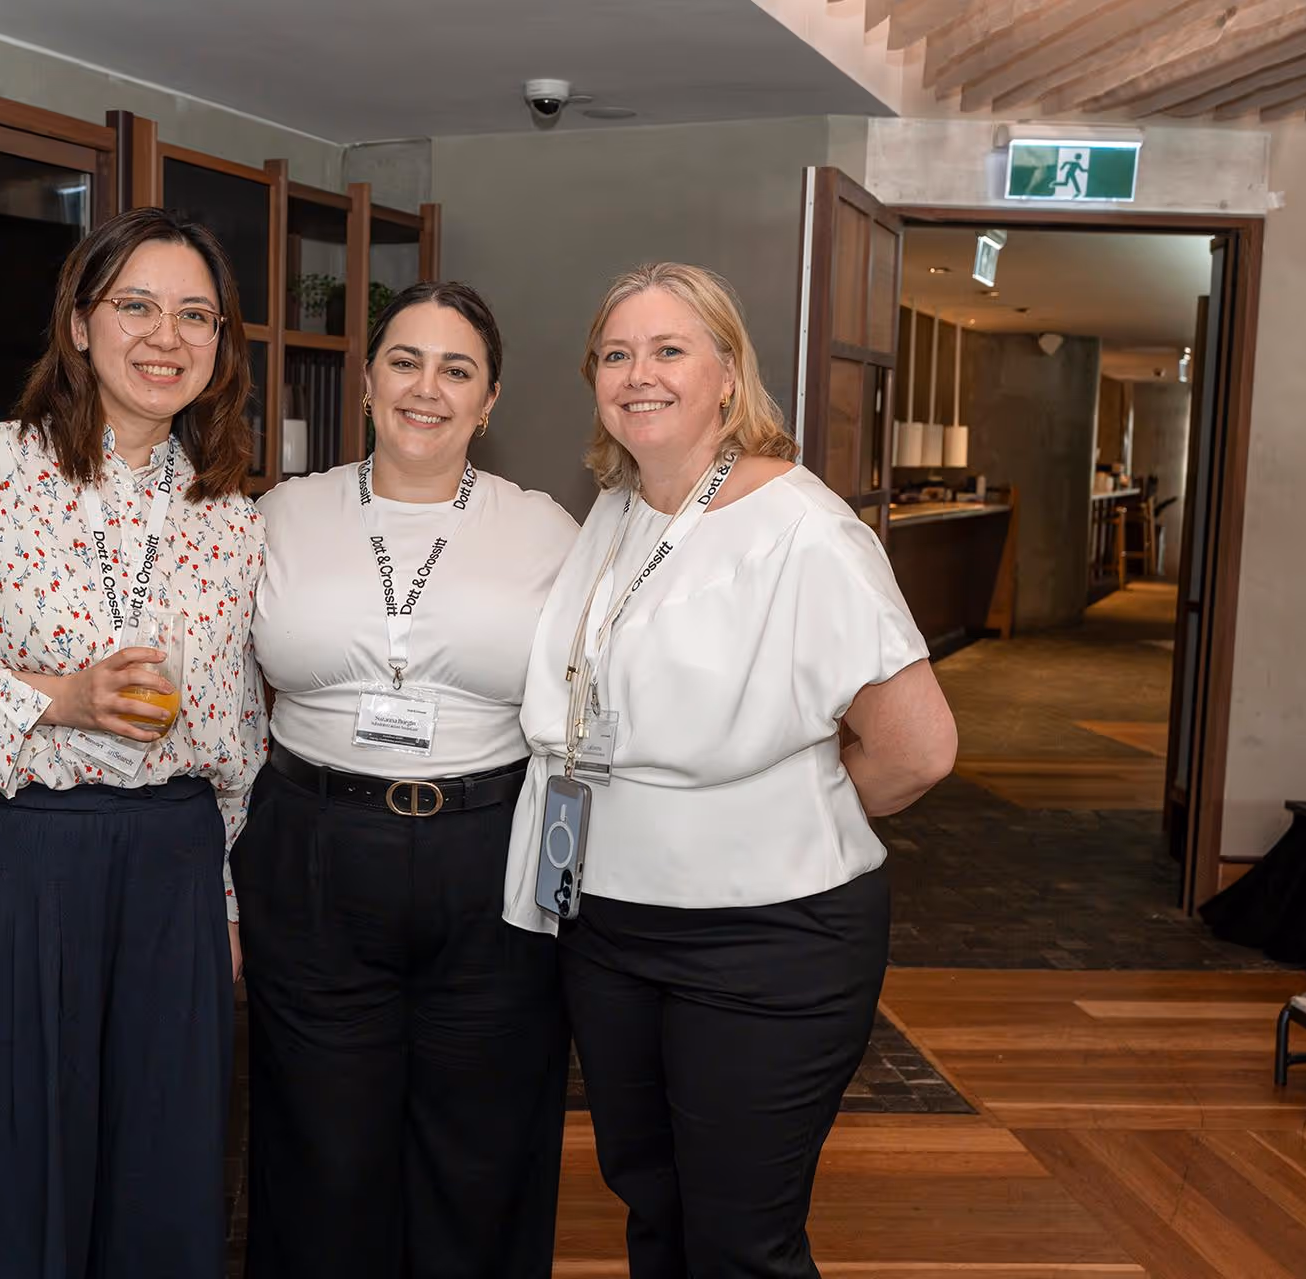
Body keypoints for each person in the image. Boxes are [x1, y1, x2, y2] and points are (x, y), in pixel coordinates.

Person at [504, 262, 958, 1279]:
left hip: (766, 943)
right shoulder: (619, 510)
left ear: (727, 375)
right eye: (616, 353)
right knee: (653, 1204)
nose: (639, 373)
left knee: (740, 1240)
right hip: (611, 925)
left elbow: (918, 748)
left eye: (670, 349)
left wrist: (773, 812)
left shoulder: (806, 532)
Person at [0, 208, 266, 1279]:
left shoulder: (231, 513)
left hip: (178, 861)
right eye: (135, 304)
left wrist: (223, 897)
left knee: (165, 1156)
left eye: (196, 315)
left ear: (220, 346)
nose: (165, 336)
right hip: (24, 852)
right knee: (11, 1143)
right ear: (80, 324)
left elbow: (239, 730)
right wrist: (64, 698)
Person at [237, 281, 578, 1278]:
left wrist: (568, 883)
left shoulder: (548, 528)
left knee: (483, 1145)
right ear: (367, 378)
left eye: (456, 368)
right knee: (319, 1144)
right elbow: (218, 691)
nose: (426, 388)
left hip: (492, 854)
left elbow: (581, 723)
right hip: (312, 847)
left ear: (490, 399)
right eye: (405, 360)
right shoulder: (280, 515)